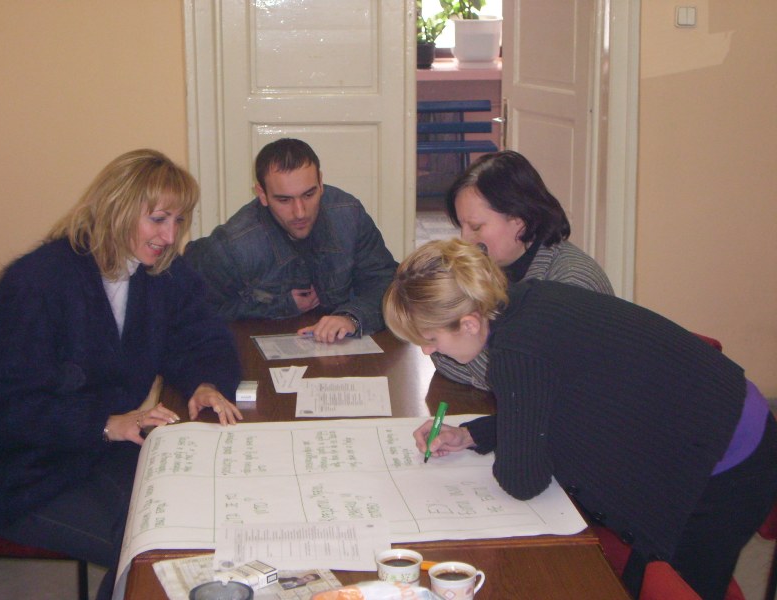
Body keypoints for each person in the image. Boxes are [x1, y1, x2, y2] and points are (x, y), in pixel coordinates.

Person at [383, 238, 777, 600]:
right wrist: (471, 435)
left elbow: (523, 480)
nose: (427, 351)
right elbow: (548, 406)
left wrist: (509, 442)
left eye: (431, 339)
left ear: (469, 323)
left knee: (669, 584)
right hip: (712, 420)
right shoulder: (528, 300)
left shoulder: (517, 352)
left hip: (728, 457)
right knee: (631, 581)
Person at [0, 149, 243, 600]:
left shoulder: (162, 273)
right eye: (158, 219)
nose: (170, 236)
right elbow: (7, 407)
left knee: (186, 509)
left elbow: (202, 337)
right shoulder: (36, 282)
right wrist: (104, 424)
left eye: (179, 221)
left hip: (94, 452)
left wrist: (205, 382)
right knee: (145, 549)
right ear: (118, 209)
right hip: (22, 470)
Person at [185, 138, 398, 342]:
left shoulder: (349, 215)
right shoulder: (233, 244)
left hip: (343, 350)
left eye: (309, 195)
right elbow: (195, 311)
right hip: (260, 351)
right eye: (284, 200)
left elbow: (387, 284)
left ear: (321, 183)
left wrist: (351, 318)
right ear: (262, 194)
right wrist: (279, 305)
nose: (300, 212)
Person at [434, 150, 613, 390]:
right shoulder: (494, 267)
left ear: (519, 219)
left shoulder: (571, 282)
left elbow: (524, 377)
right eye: (462, 226)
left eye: (475, 227)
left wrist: (454, 348)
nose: (465, 239)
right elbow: (443, 350)